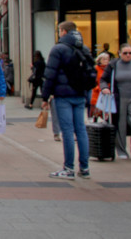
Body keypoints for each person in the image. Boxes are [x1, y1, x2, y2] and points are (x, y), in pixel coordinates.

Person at [41, 21, 92, 178]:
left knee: (68, 131)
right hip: (79, 94)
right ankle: (84, 168)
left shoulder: (58, 49)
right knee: (81, 130)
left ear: (63, 32)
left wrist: (45, 96)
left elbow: (50, 74)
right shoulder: (84, 48)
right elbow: (91, 72)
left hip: (63, 95)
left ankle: (68, 168)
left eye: (59, 30)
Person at [99, 44, 131, 161]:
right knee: (120, 124)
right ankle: (121, 150)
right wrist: (104, 88)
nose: (128, 55)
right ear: (119, 53)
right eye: (125, 53)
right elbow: (103, 79)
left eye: (130, 53)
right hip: (119, 98)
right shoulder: (113, 65)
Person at [89, 53, 110, 121]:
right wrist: (96, 88)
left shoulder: (110, 69)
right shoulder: (95, 68)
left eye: (107, 59)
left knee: (107, 111)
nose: (106, 61)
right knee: (96, 111)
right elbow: (92, 80)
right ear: (99, 60)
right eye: (104, 59)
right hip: (97, 92)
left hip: (107, 91)